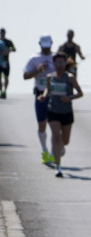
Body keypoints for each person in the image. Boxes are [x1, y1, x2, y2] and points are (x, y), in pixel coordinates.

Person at [40, 52, 83, 178]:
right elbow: (48, 90)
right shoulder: (50, 77)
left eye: (62, 62)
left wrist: (69, 97)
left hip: (66, 112)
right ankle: (58, 167)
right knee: (56, 137)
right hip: (53, 111)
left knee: (65, 140)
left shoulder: (70, 77)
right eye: (57, 62)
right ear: (54, 64)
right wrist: (43, 96)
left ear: (65, 63)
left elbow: (80, 93)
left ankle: (61, 147)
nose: (60, 65)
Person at [22, 36, 56, 165]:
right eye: (44, 46)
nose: (46, 49)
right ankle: (44, 150)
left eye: (48, 46)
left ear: (51, 44)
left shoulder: (56, 57)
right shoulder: (34, 58)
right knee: (42, 125)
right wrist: (37, 70)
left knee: (54, 126)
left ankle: (53, 152)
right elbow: (25, 76)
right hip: (41, 95)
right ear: (40, 45)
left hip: (54, 95)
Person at [0, 28, 15, 99]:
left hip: (6, 63)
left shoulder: (8, 42)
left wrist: (9, 50)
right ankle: (1, 92)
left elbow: (14, 49)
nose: (2, 34)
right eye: (1, 33)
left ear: (5, 33)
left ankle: (4, 91)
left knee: (6, 78)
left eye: (3, 33)